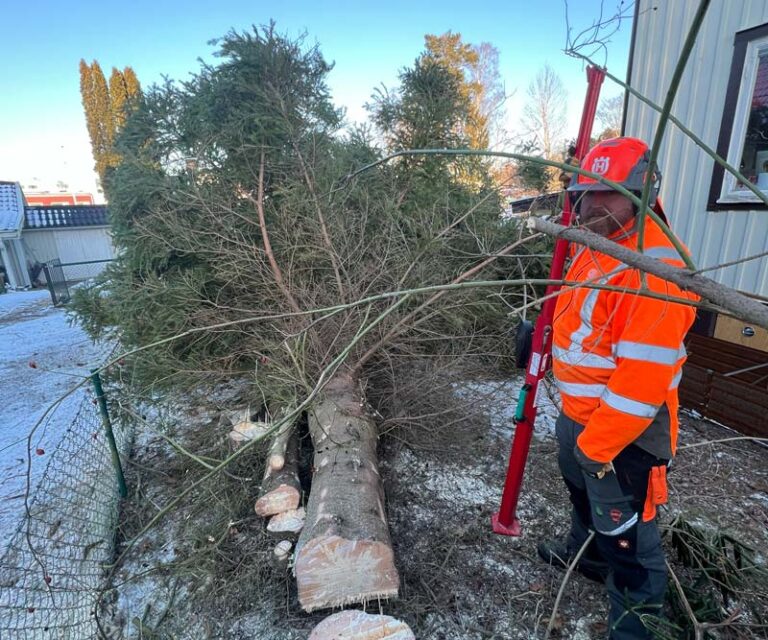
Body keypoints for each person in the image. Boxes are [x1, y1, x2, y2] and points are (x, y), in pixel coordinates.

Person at [537, 137, 699, 639]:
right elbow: (581, 317)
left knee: (629, 538)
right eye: (584, 192)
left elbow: (640, 383)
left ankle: (633, 625)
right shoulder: (603, 240)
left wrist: (597, 447)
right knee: (582, 497)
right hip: (580, 412)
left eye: (606, 193)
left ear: (643, 193)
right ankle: (587, 557)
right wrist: (539, 335)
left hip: (626, 431)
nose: (589, 205)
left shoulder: (655, 269)